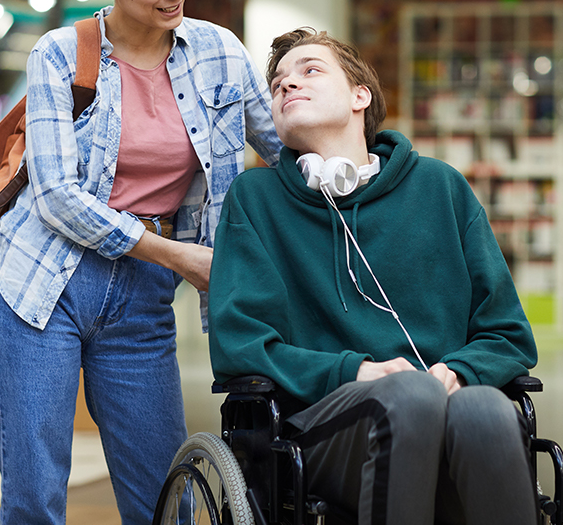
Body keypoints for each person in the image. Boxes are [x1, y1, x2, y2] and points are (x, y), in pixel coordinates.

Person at [0, 0, 282, 525]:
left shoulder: (219, 52)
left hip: (143, 296)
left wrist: (368, 161)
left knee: (162, 496)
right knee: (35, 497)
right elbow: (59, 197)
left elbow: (284, 147)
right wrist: (180, 255)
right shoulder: (59, 55)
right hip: (44, 285)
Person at [208, 28, 539, 525]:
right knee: (410, 398)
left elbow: (507, 334)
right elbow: (240, 343)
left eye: (309, 70)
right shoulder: (254, 199)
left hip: (443, 406)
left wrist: (456, 373)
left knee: (487, 410)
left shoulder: (440, 187)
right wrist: (356, 372)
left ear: (360, 95)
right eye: (277, 83)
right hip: (322, 433)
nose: (286, 85)